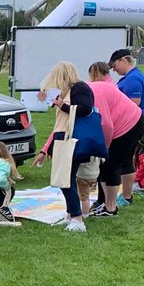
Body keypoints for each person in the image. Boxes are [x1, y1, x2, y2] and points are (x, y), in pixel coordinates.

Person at [34, 62, 95, 232]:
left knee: (65, 180)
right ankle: (71, 215)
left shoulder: (79, 88)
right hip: (63, 138)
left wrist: (63, 106)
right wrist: (45, 149)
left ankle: (77, 218)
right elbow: (58, 125)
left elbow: (86, 109)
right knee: (66, 179)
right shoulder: (68, 92)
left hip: (71, 139)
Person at [86, 60, 144, 215]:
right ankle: (110, 201)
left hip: (128, 125)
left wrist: (104, 146)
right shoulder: (104, 86)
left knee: (111, 163)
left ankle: (110, 207)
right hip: (131, 121)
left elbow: (106, 124)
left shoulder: (95, 90)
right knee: (113, 163)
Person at [109, 49, 144, 117]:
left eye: (114, 65)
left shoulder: (133, 78)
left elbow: (134, 103)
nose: (114, 70)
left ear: (123, 60)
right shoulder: (134, 75)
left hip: (133, 119)